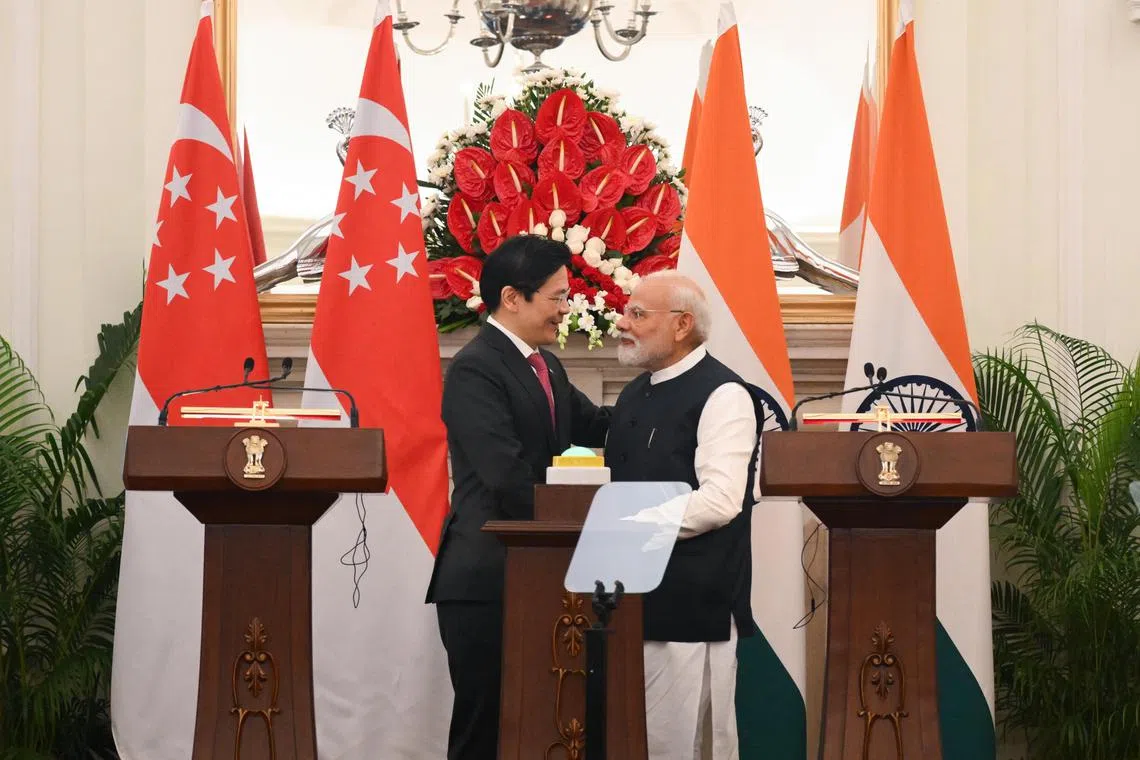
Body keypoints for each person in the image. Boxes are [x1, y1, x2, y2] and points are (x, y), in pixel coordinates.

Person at [424, 235, 611, 760]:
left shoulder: (545, 367)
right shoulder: (476, 368)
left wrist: (668, 418)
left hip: (539, 573)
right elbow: (506, 478)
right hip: (486, 579)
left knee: (549, 722)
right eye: (556, 297)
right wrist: (592, 518)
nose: (565, 309)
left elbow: (594, 424)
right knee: (485, 730)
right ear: (512, 297)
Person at [605, 270, 762, 760]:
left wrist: (628, 522)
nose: (621, 323)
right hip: (628, 602)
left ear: (681, 325)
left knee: (681, 747)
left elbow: (719, 501)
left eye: (637, 314)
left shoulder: (724, 395)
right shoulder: (635, 392)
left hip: (690, 608)